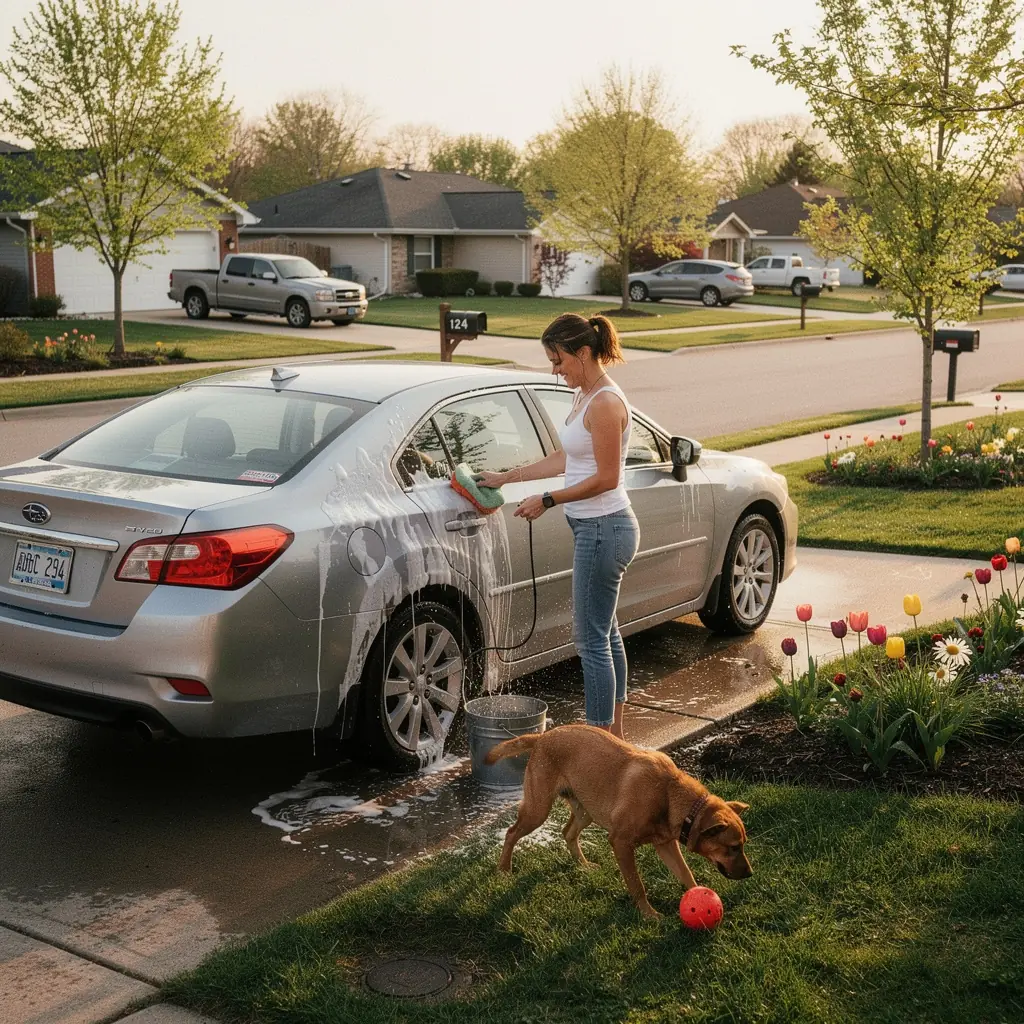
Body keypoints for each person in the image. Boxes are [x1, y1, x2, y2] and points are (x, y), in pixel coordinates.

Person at [476, 313, 640, 738]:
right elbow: (564, 460)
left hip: (605, 528)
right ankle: (615, 739)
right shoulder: (586, 395)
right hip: (598, 529)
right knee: (607, 633)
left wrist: (548, 500)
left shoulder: (605, 402)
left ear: (583, 353)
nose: (555, 370)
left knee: (590, 642)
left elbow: (607, 478)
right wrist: (506, 477)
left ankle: (599, 743)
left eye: (559, 360)